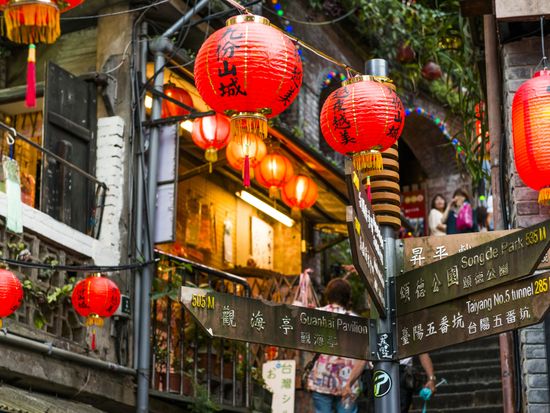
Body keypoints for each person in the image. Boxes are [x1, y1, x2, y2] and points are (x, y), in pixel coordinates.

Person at [308, 278, 367, 413]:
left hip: (321, 379)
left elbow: (308, 347)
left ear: (328, 295)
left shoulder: (315, 316)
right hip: (348, 383)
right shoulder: (356, 321)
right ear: (348, 298)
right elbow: (363, 358)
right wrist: (349, 383)